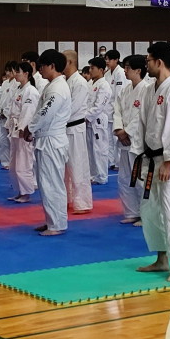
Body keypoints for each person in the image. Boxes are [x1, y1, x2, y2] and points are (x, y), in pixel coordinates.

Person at [134, 42, 170, 282]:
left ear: (159, 62)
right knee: (152, 211)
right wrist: (140, 155)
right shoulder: (150, 90)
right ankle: (161, 259)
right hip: (152, 158)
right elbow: (143, 125)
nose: (146, 64)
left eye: (148, 60)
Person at [25, 50, 71, 235]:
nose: (40, 70)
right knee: (47, 183)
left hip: (52, 140)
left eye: (42, 66)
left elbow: (45, 113)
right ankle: (52, 220)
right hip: (47, 139)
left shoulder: (58, 88)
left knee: (52, 183)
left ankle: (57, 224)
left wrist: (31, 128)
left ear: (52, 66)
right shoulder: (52, 86)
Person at [113, 54, 147, 224]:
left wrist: (127, 131)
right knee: (124, 178)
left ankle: (145, 214)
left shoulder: (147, 90)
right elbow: (117, 110)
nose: (125, 71)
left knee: (140, 179)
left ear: (138, 70)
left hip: (137, 141)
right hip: (124, 140)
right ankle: (131, 212)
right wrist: (119, 129)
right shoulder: (125, 90)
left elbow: (141, 116)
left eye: (128, 67)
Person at [63, 50, 94, 215]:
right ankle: (68, 199)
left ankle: (82, 202)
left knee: (78, 165)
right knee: (65, 168)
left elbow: (73, 108)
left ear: (69, 62)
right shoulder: (65, 81)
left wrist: (58, 118)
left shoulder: (80, 82)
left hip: (75, 128)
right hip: (64, 128)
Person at [6, 62, 39, 204]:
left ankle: (26, 192)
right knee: (13, 164)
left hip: (23, 131)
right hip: (14, 129)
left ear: (26, 73)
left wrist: (22, 129)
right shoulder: (19, 89)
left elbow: (29, 112)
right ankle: (19, 191)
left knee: (23, 163)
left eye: (18, 71)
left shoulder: (31, 91)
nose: (15, 74)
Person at [87, 57, 114, 185]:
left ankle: (102, 176)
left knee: (100, 149)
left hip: (97, 120)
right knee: (90, 150)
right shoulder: (90, 84)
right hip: (88, 122)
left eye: (93, 68)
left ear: (101, 70)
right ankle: (93, 175)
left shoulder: (104, 86)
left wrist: (85, 116)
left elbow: (99, 106)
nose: (90, 71)